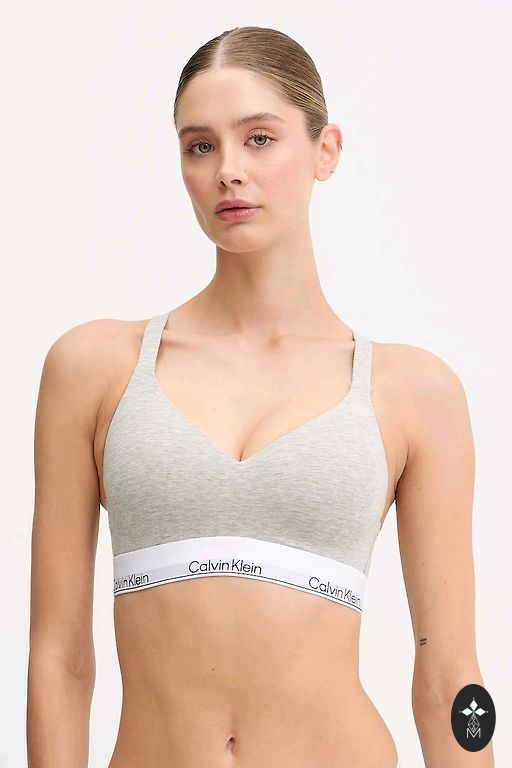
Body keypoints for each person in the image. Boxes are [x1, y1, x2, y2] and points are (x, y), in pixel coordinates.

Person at [27, 25, 493, 768]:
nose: (228, 172)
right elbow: (59, 657)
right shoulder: (94, 370)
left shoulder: (413, 392)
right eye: (200, 146)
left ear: (325, 150)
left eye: (260, 139)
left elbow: (450, 680)